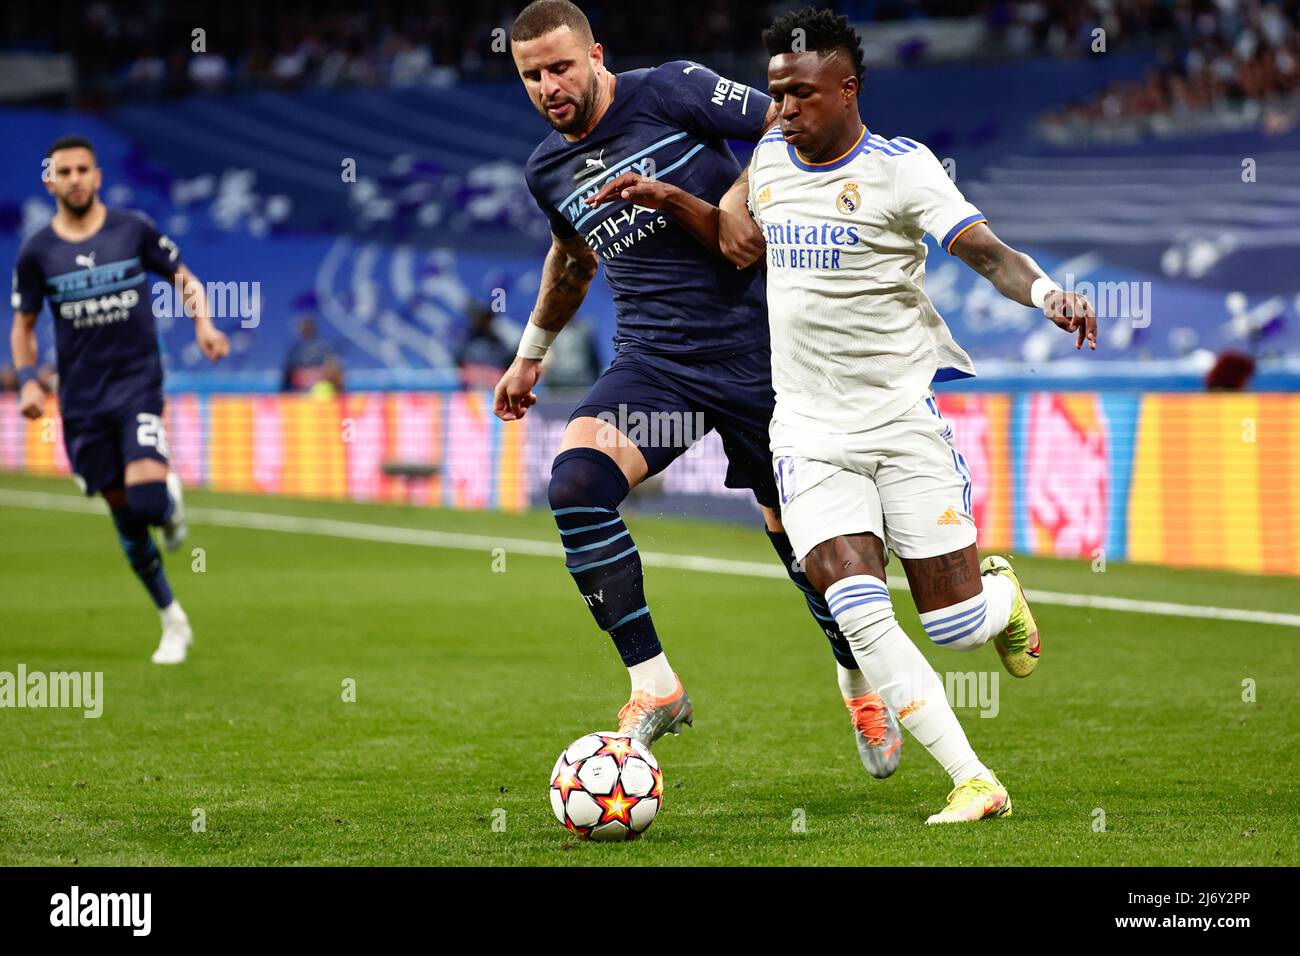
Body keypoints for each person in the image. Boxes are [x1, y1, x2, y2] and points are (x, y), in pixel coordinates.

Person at [587, 6, 1099, 822]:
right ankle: (975, 779)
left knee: (957, 625)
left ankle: (999, 599)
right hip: (808, 431)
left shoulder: (904, 170)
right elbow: (735, 241)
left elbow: (986, 253)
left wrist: (1047, 294)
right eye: (776, 93)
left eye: (801, 95)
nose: (784, 109)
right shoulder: (769, 159)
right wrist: (669, 200)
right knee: (857, 611)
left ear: (848, 89)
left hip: (899, 421)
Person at [493, 0, 903, 772]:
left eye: (560, 67)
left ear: (595, 56)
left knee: (814, 555)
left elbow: (790, 124)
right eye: (531, 75)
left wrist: (736, 200)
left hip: (766, 357)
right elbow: (573, 259)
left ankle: (858, 681)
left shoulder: (673, 89)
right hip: (660, 370)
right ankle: (655, 686)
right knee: (577, 484)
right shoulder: (546, 168)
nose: (549, 85)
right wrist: (530, 353)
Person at [10, 135, 230, 664]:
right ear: (50, 180)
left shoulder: (132, 229)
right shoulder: (38, 252)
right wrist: (27, 379)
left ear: (98, 175)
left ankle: (170, 503)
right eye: (64, 172)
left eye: (84, 169)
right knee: (126, 517)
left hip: (136, 385)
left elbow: (184, 277)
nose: (75, 179)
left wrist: (204, 322)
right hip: (82, 401)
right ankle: (172, 619)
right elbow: (23, 327)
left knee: (149, 502)